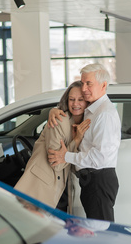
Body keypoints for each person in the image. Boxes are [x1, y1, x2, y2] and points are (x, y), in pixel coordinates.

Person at [47, 63, 121, 222]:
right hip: (91, 180)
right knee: (98, 231)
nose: (84, 88)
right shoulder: (92, 110)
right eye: (83, 82)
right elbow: (72, 106)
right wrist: (54, 110)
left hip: (98, 180)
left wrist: (66, 156)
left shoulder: (104, 114)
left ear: (103, 85)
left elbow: (98, 158)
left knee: (102, 232)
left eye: (89, 83)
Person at [14, 81, 90, 210]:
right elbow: (57, 163)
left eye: (80, 100)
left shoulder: (88, 122)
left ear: (87, 102)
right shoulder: (59, 121)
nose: (75, 104)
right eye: (71, 99)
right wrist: (76, 140)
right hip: (42, 185)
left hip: (64, 185)